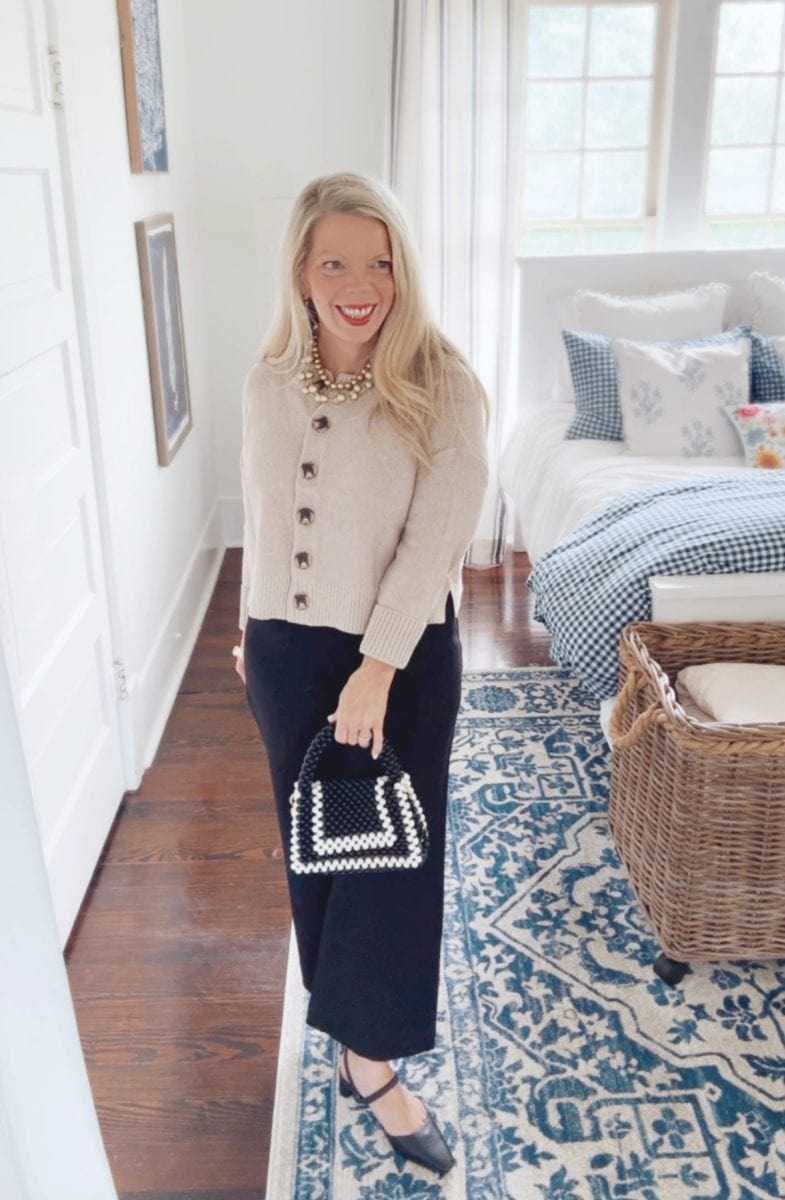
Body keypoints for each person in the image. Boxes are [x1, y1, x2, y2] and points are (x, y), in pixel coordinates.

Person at [234, 172, 489, 1177]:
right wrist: (249, 630)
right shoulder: (265, 382)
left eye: (379, 262)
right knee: (317, 854)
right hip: (287, 658)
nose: (360, 283)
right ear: (301, 270)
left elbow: (436, 540)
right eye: (335, 260)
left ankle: (372, 1065)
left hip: (397, 657)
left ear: (403, 270)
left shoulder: (443, 384)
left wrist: (376, 667)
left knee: (389, 862)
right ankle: (348, 1033)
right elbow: (257, 517)